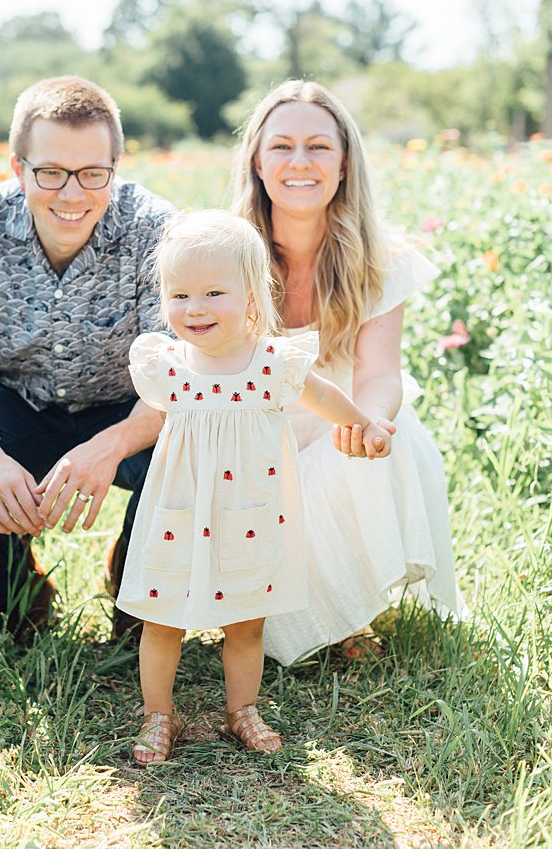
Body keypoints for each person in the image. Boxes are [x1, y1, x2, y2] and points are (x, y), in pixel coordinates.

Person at [0, 76, 174, 639]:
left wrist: (108, 447)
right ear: (18, 167)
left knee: (197, 456)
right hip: (19, 399)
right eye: (50, 173)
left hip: (131, 407)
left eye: (93, 174)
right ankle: (19, 594)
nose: (72, 194)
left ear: (115, 168)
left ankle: (136, 584)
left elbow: (172, 383)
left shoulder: (158, 229)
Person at [116, 210, 394, 764]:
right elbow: (144, 422)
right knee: (163, 617)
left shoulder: (271, 363)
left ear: (251, 295)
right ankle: (157, 716)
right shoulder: (166, 364)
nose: (194, 308)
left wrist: (365, 422)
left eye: (213, 292)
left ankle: (242, 709)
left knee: (246, 621)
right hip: (181, 511)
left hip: (250, 511)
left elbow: (321, 397)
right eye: (179, 295)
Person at [232, 80, 467, 666]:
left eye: (319, 147)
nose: (300, 162)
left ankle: (347, 611)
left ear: (343, 164)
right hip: (254, 423)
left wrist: (372, 421)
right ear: (258, 162)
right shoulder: (230, 250)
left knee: (392, 434)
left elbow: (381, 371)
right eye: (282, 146)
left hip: (336, 408)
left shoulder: (379, 258)